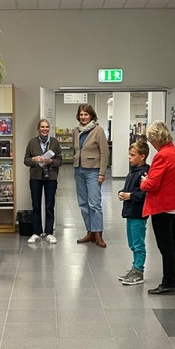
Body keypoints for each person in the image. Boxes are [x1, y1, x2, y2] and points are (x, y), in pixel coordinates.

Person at [140, 120, 175, 295]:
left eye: (151, 140)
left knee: (165, 247)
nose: (151, 144)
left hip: (163, 206)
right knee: (174, 244)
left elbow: (152, 184)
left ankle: (167, 283)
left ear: (156, 139)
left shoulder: (162, 156)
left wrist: (144, 182)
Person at [73, 103, 109, 248]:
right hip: (79, 170)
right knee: (83, 204)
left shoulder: (98, 130)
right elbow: (76, 150)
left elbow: (105, 152)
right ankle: (90, 232)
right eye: (81, 114)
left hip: (93, 171)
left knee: (94, 204)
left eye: (86, 114)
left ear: (91, 115)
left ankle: (98, 234)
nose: (83, 117)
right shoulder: (76, 131)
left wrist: (102, 173)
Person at [23, 119, 62, 244]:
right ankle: (36, 232)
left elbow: (59, 161)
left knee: (50, 205)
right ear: (38, 129)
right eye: (42, 127)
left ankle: (49, 233)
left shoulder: (54, 142)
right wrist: (34, 159)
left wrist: (50, 161)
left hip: (51, 177)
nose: (45, 129)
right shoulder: (32, 142)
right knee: (36, 205)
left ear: (49, 129)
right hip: (36, 177)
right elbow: (26, 160)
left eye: (47, 127)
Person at [117, 140, 150, 286]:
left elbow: (145, 194)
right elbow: (129, 188)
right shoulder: (133, 171)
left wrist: (131, 196)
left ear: (142, 156)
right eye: (129, 155)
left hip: (138, 213)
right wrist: (122, 193)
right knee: (132, 243)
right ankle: (134, 267)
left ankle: (139, 270)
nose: (129, 158)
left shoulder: (144, 173)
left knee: (138, 244)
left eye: (132, 155)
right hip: (130, 212)